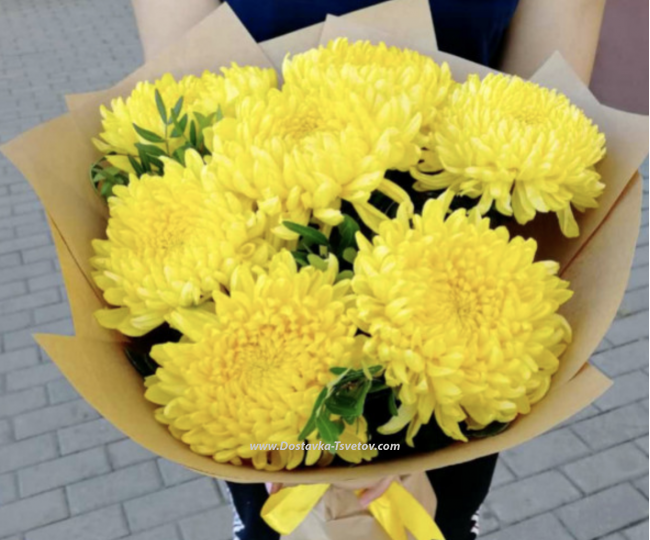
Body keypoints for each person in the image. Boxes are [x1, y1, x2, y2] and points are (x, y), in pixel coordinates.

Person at [129, 1, 606, 538]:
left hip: (462, 332)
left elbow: (548, 121)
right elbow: (179, 116)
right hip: (240, 329)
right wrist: (299, 430)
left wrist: (427, 412)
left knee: (437, 520)